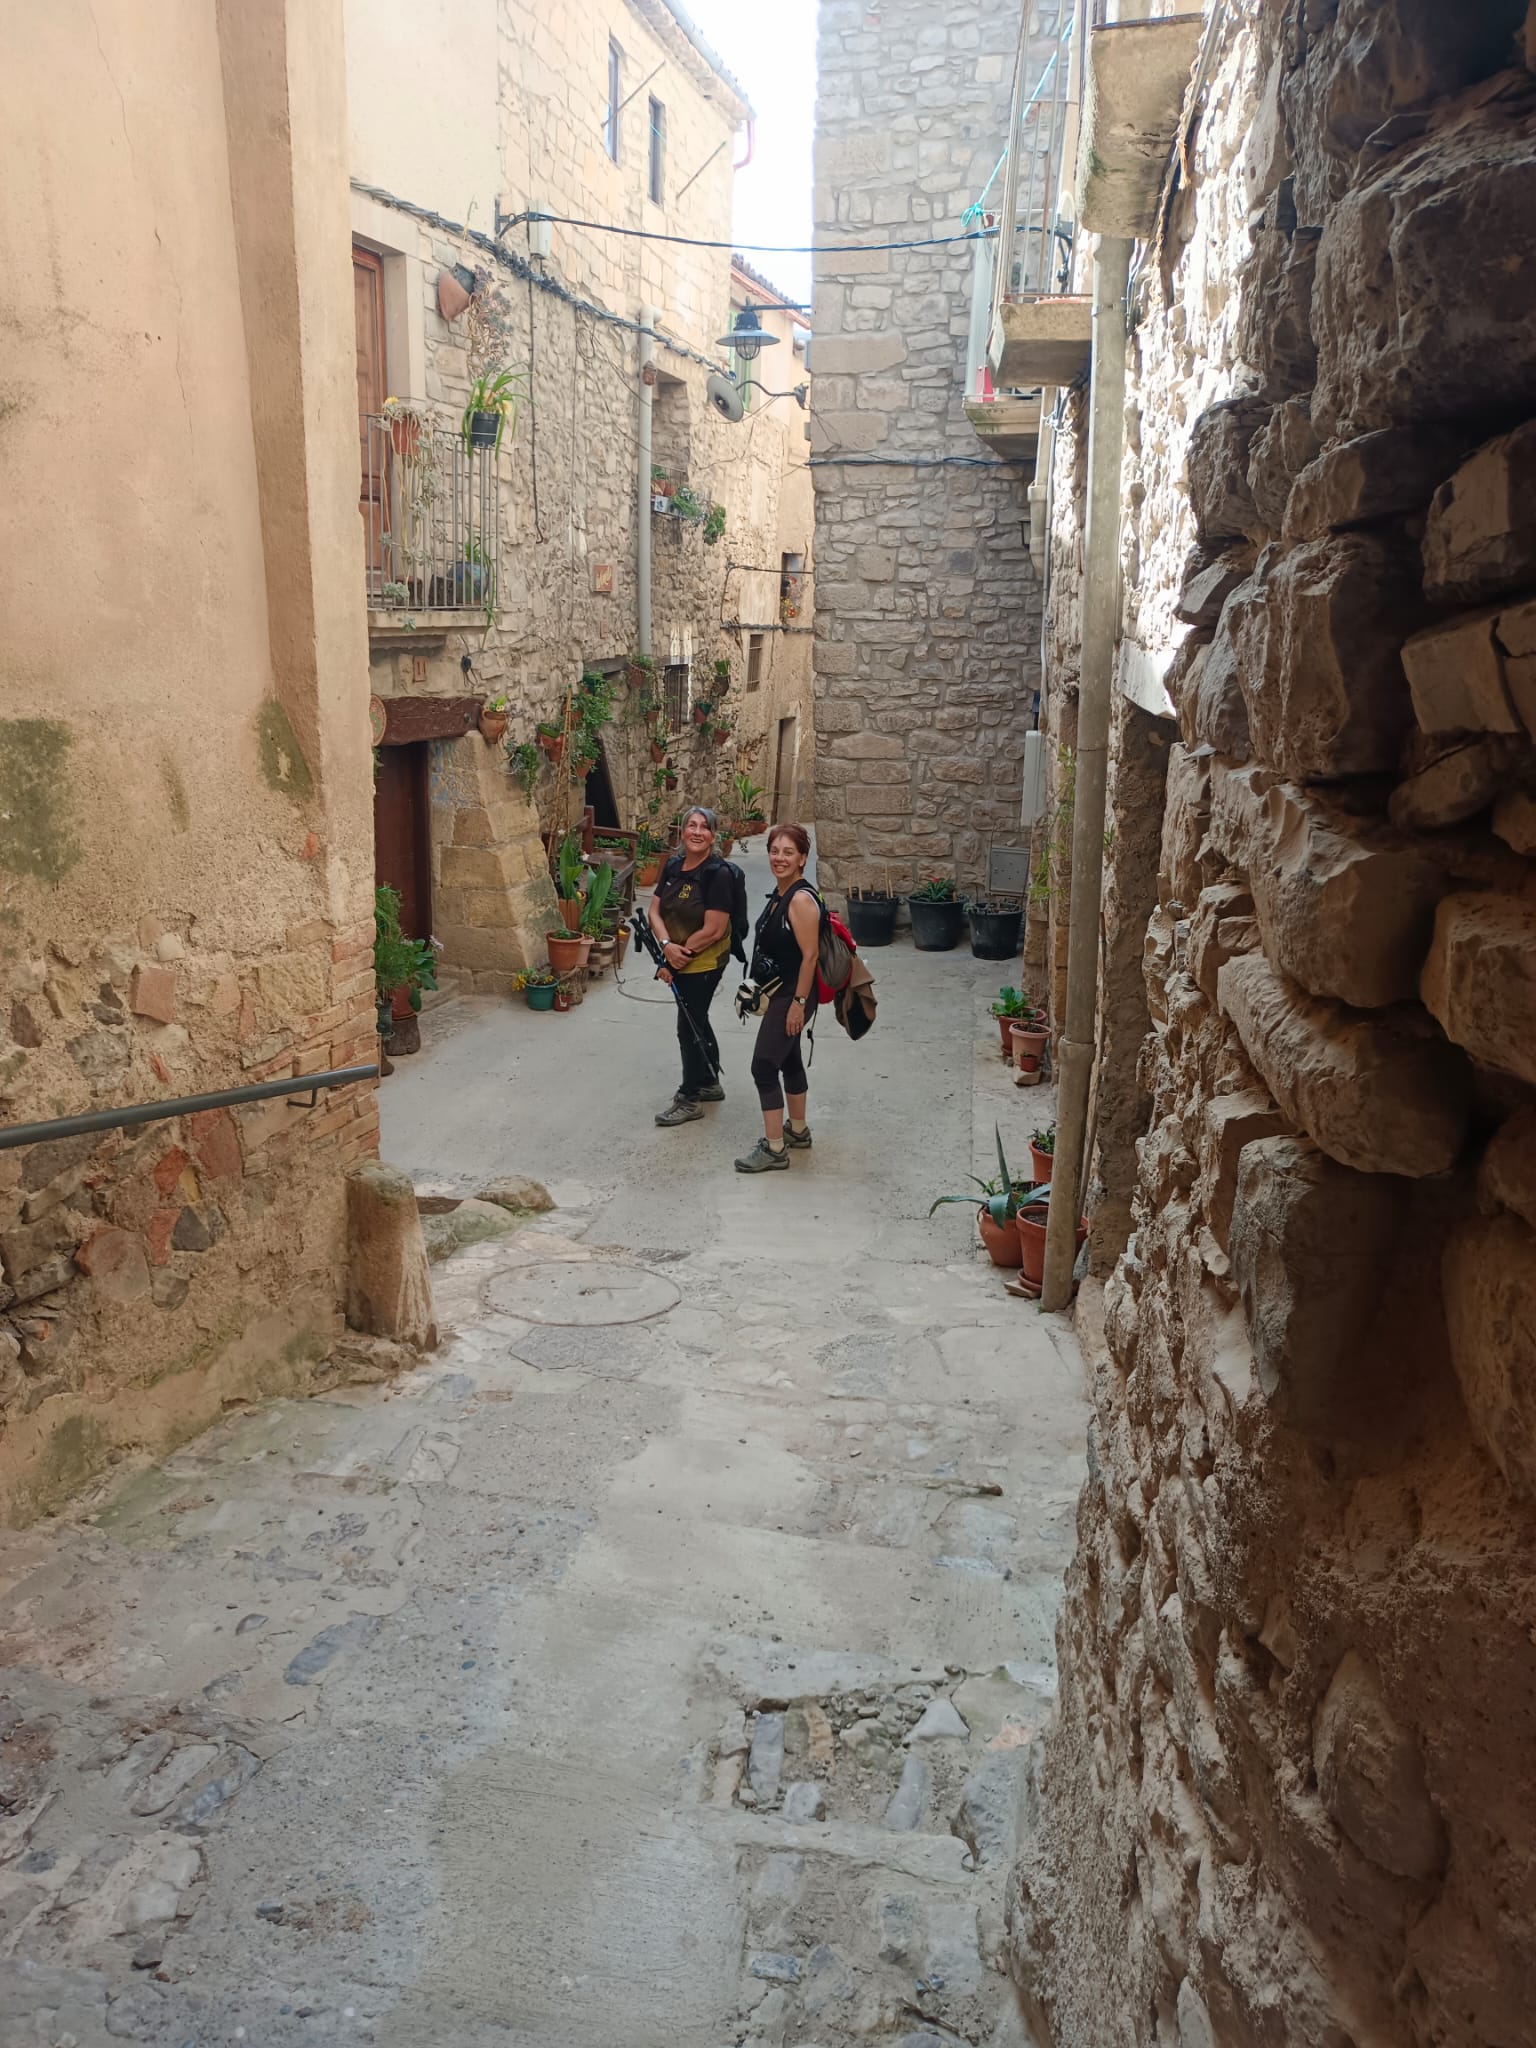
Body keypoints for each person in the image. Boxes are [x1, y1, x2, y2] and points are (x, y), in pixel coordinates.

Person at [736, 823, 821, 1174]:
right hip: (783, 991)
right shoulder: (781, 893)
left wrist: (797, 1005)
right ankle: (797, 1130)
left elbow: (811, 956)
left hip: (793, 994)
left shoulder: (799, 899)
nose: (779, 858)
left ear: (803, 858)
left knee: (764, 1065)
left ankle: (774, 1150)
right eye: (774, 851)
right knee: (788, 1058)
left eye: (788, 852)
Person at [648, 805, 733, 1126]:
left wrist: (677, 957)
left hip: (704, 961)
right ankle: (709, 1082)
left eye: (704, 827)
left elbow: (713, 929)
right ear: (682, 831)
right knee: (696, 1017)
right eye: (691, 825)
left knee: (689, 1026)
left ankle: (690, 1097)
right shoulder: (673, 865)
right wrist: (666, 947)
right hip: (675, 953)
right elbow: (654, 911)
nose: (697, 832)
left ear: (713, 836)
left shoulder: (718, 874)